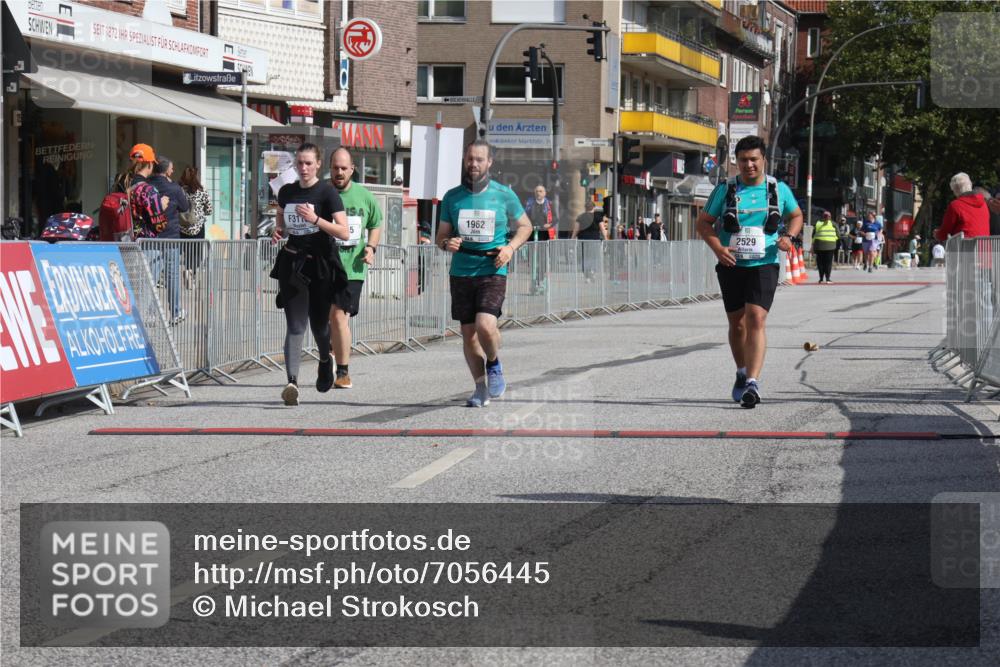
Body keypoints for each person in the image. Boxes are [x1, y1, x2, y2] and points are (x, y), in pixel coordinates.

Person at [696, 134, 802, 409]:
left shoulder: (777, 189)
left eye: (754, 159)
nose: (749, 165)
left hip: (764, 263)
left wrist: (789, 237)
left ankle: (753, 383)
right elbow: (704, 223)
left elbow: (796, 215)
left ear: (764, 159)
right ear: (737, 162)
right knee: (738, 324)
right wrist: (718, 248)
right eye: (743, 160)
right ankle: (742, 372)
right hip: (731, 264)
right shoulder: (725, 189)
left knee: (756, 318)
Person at [436, 139, 533, 408]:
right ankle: (480, 388)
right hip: (461, 271)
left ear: (489, 162)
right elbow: (441, 236)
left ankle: (493, 362)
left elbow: (526, 226)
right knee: (469, 334)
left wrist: (510, 248)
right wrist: (447, 243)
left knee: (485, 326)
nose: (474, 164)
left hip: (493, 268)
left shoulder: (504, 194)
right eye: (470, 159)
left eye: (479, 159)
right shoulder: (452, 197)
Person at [270, 143, 351, 406]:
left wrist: (316, 219)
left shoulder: (327, 192)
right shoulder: (287, 191)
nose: (303, 168)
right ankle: (291, 383)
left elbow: (344, 232)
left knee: (319, 326)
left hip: (320, 265)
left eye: (308, 163)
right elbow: (281, 217)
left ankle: (325, 360)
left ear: (318, 164)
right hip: (293, 262)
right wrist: (278, 230)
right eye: (299, 163)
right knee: (295, 326)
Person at [327, 147, 382, 390]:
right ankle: (330, 352)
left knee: (339, 316)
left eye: (343, 168)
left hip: (352, 268)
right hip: (323, 265)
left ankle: (343, 372)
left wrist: (371, 247)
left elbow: (376, 223)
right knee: (325, 318)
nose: (339, 172)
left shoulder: (364, 196)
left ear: (352, 169)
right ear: (329, 168)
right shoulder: (322, 193)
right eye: (335, 168)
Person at [148, 156, 190, 324]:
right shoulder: (174, 188)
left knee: (151, 275)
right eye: (171, 168)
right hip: (171, 236)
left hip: (151, 236)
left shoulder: (147, 186)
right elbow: (185, 207)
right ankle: (175, 312)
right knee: (172, 275)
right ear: (166, 171)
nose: (173, 171)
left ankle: (150, 314)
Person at [179, 166, 212, 287]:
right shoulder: (202, 191)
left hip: (182, 226)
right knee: (197, 253)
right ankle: (191, 272)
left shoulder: (180, 191)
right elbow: (209, 210)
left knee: (186, 252)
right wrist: (201, 212)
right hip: (198, 227)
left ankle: (188, 270)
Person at [935, 172, 989, 240]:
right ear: (970, 185)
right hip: (984, 246)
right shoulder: (984, 204)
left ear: (955, 190)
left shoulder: (955, 205)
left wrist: (937, 234)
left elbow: (944, 235)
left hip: (964, 246)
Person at [524, 184, 554, 294]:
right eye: (537, 191)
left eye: (541, 191)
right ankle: (533, 282)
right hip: (532, 234)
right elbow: (525, 217)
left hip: (544, 236)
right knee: (532, 260)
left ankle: (541, 281)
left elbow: (556, 218)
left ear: (545, 193)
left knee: (542, 259)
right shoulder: (529, 204)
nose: (538, 193)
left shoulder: (549, 204)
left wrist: (549, 225)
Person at [572, 200, 608, 282]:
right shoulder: (597, 217)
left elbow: (576, 229)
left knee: (584, 257)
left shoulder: (580, 217)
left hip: (583, 240)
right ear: (594, 207)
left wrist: (572, 238)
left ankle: (587, 276)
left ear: (585, 208)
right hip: (595, 240)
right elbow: (602, 229)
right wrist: (606, 238)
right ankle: (593, 271)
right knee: (594, 256)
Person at [812, 210, 838, 284]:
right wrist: (834, 239)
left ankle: (821, 279)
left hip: (819, 246)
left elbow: (813, 235)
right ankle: (828, 279)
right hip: (830, 246)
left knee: (820, 263)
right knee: (828, 263)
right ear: (830, 217)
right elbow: (838, 234)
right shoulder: (833, 224)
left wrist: (813, 244)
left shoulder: (817, 223)